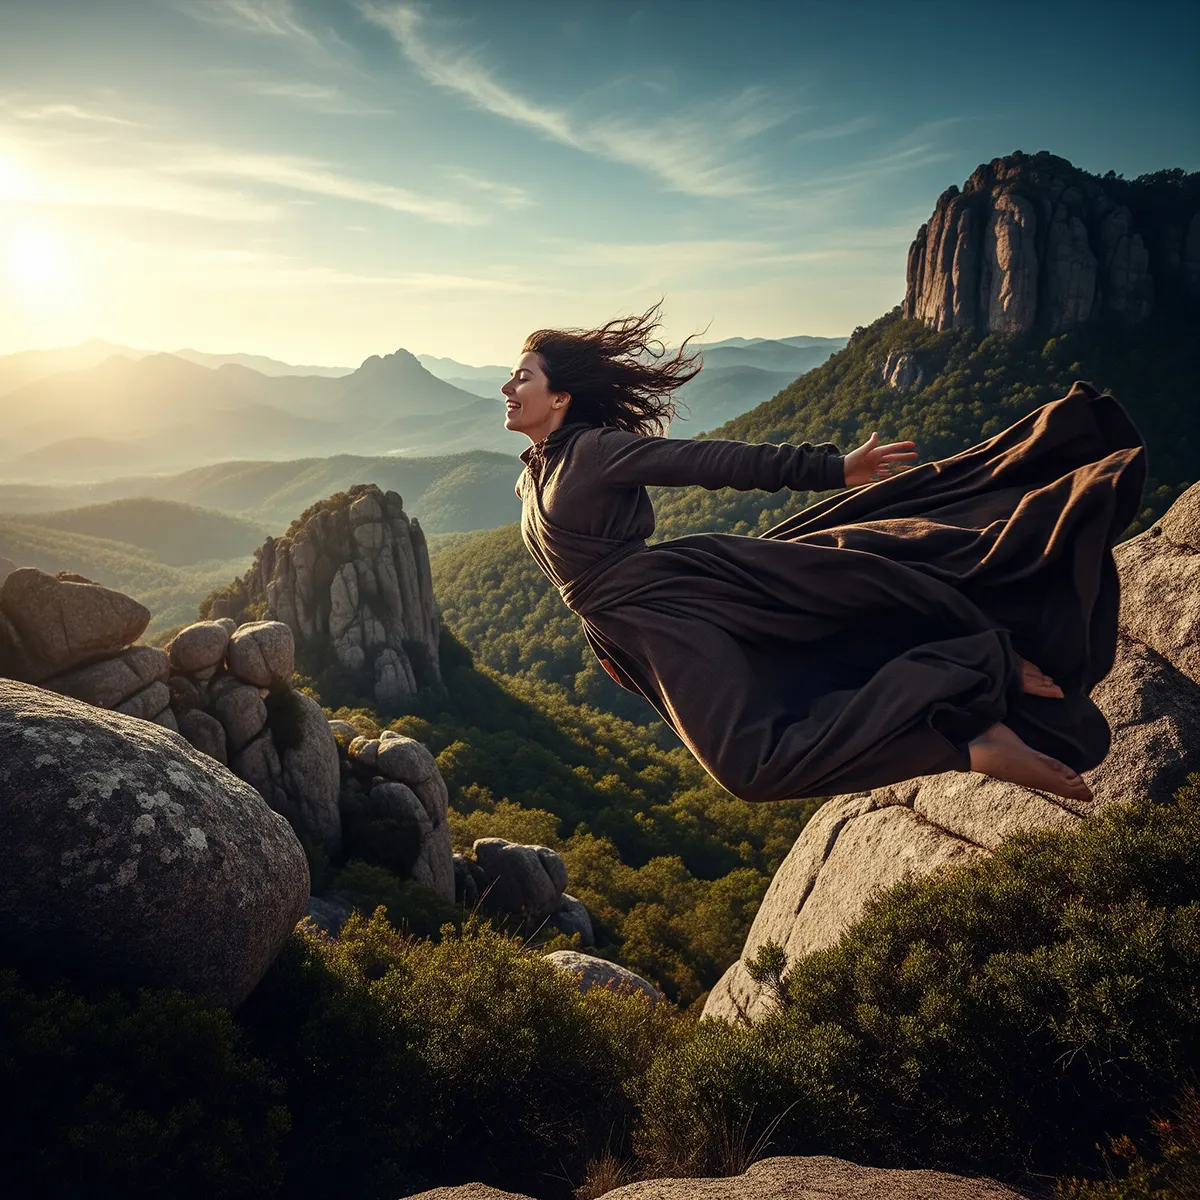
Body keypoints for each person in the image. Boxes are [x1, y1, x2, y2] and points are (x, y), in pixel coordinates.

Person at [502, 302, 1147, 805]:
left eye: (523, 376)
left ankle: (974, 728)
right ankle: (970, 708)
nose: (508, 385)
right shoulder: (534, 472)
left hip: (667, 603)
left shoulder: (593, 452)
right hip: (634, 624)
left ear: (560, 397)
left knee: (752, 767)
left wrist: (836, 467)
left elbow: (709, 459)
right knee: (807, 683)